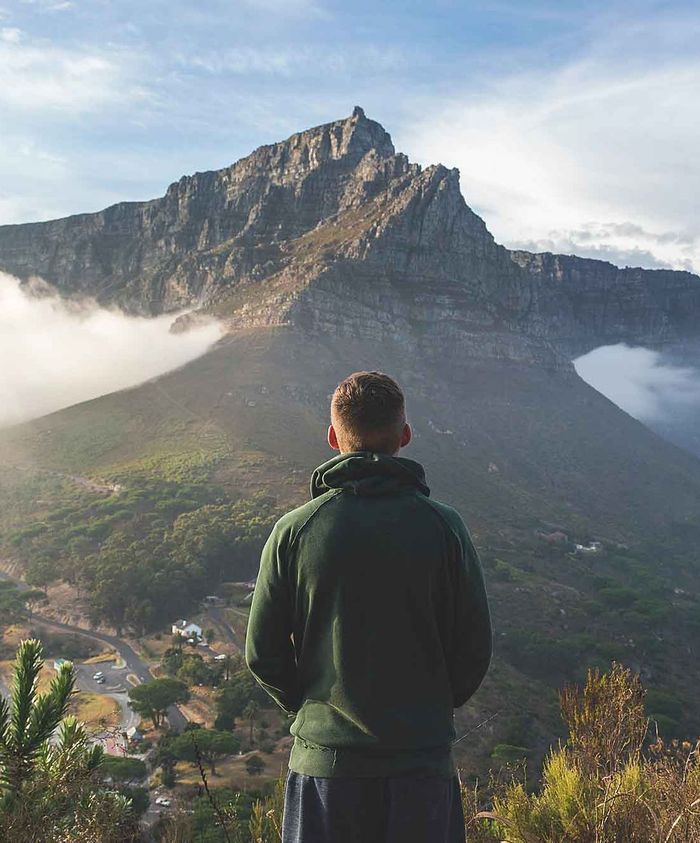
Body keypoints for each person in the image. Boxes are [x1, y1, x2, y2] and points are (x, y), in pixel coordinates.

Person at [245, 371, 492, 843]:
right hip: (421, 767)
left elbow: (263, 653)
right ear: (404, 435)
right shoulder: (444, 527)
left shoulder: (296, 531)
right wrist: (431, 709)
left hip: (325, 774)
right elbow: (474, 648)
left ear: (334, 436)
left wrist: (311, 715)